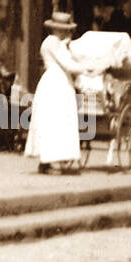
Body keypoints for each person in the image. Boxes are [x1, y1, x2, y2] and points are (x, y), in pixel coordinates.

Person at [24, 12, 88, 174]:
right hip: (56, 83)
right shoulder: (53, 43)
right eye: (65, 30)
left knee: (55, 120)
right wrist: (88, 68)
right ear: (57, 30)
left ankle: (49, 160)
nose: (67, 33)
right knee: (55, 120)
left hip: (59, 82)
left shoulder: (56, 43)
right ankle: (50, 161)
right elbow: (68, 64)